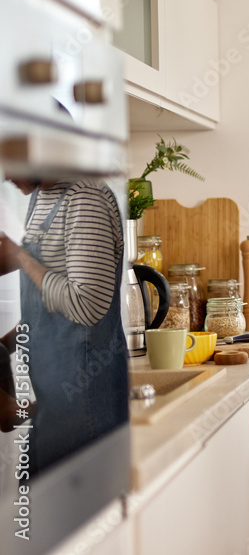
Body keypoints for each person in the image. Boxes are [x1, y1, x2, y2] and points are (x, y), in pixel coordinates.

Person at [0, 177, 128, 472]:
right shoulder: (40, 193)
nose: (5, 175)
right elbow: (49, 307)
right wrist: (6, 345)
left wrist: (20, 258)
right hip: (54, 413)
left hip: (86, 417)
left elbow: (84, 306)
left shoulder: (86, 199)